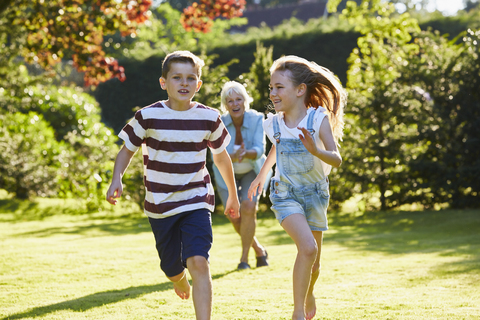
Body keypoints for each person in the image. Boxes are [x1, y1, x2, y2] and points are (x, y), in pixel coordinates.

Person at [106, 50, 240, 320]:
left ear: (198, 85)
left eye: (190, 78)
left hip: (197, 199)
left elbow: (222, 157)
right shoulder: (147, 116)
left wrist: (233, 196)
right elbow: (126, 150)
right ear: (163, 82)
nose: (184, 83)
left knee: (199, 262)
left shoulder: (209, 117)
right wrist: (116, 178)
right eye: (177, 77)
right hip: (160, 205)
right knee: (171, 267)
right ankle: (177, 278)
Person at [248, 55, 346, 320]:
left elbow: (336, 159)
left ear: (300, 90)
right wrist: (262, 175)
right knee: (308, 249)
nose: (273, 93)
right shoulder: (275, 123)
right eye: (271, 87)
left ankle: (309, 292)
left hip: (315, 194)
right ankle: (297, 313)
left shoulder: (317, 119)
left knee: (314, 263)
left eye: (279, 87)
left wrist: (316, 149)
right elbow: (277, 148)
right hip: (285, 194)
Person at [211, 81, 271, 270]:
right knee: (233, 215)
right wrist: (232, 155)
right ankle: (259, 250)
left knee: (248, 207)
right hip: (225, 174)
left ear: (245, 101)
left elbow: (260, 149)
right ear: (225, 104)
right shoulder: (218, 122)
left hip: (251, 171)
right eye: (230, 101)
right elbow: (217, 152)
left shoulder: (257, 119)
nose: (235, 104)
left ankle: (244, 259)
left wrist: (247, 153)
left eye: (239, 99)